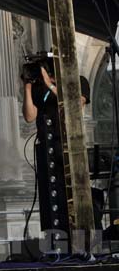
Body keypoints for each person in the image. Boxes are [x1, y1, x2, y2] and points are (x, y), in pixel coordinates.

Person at [22, 64, 92, 234]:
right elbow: (30, 116)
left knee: (71, 196)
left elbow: (75, 105)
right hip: (47, 148)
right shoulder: (40, 88)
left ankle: (82, 239)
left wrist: (51, 84)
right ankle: (54, 238)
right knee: (51, 197)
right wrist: (28, 87)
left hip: (69, 147)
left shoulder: (78, 81)